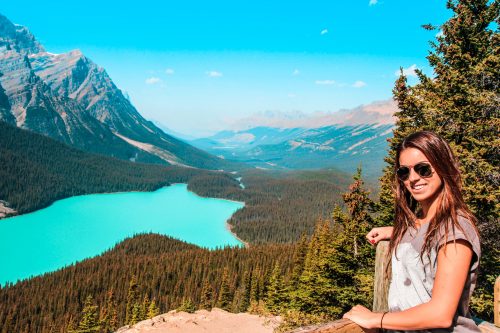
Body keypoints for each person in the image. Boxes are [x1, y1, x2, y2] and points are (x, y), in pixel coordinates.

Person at [343, 131, 481, 332]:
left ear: (443, 166)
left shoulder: (455, 231)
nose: (413, 179)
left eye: (423, 169)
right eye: (404, 172)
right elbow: (423, 235)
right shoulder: (420, 223)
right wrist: (394, 231)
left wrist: (376, 319)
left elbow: (440, 314)